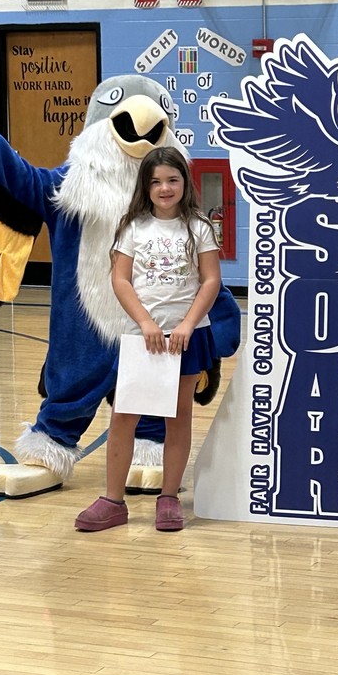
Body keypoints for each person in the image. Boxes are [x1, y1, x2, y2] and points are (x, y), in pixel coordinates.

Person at [75, 146, 221, 532]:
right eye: (156, 181)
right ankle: (112, 500)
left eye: (172, 180)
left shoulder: (200, 228)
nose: (165, 188)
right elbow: (120, 279)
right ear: (146, 186)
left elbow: (210, 280)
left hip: (187, 338)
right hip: (143, 339)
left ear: (184, 183)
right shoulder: (132, 228)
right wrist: (145, 322)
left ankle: (169, 497)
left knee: (179, 417)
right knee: (124, 418)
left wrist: (188, 323)